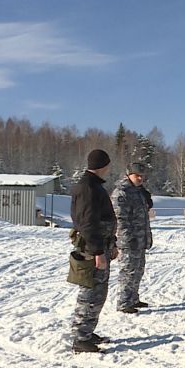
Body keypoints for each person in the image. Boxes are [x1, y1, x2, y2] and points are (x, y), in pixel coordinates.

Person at [69, 149, 117, 353]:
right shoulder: (88, 188)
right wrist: (98, 252)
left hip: (100, 246)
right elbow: (88, 223)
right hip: (92, 249)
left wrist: (111, 244)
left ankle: (87, 331)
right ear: (104, 166)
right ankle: (80, 338)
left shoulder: (93, 185)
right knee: (90, 293)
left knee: (98, 293)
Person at [111, 163, 153, 314]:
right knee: (128, 271)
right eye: (137, 175)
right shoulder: (122, 193)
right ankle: (123, 302)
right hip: (128, 241)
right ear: (129, 175)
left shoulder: (138, 191)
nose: (140, 178)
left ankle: (133, 298)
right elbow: (120, 219)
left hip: (140, 239)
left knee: (138, 270)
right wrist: (128, 238)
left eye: (143, 176)